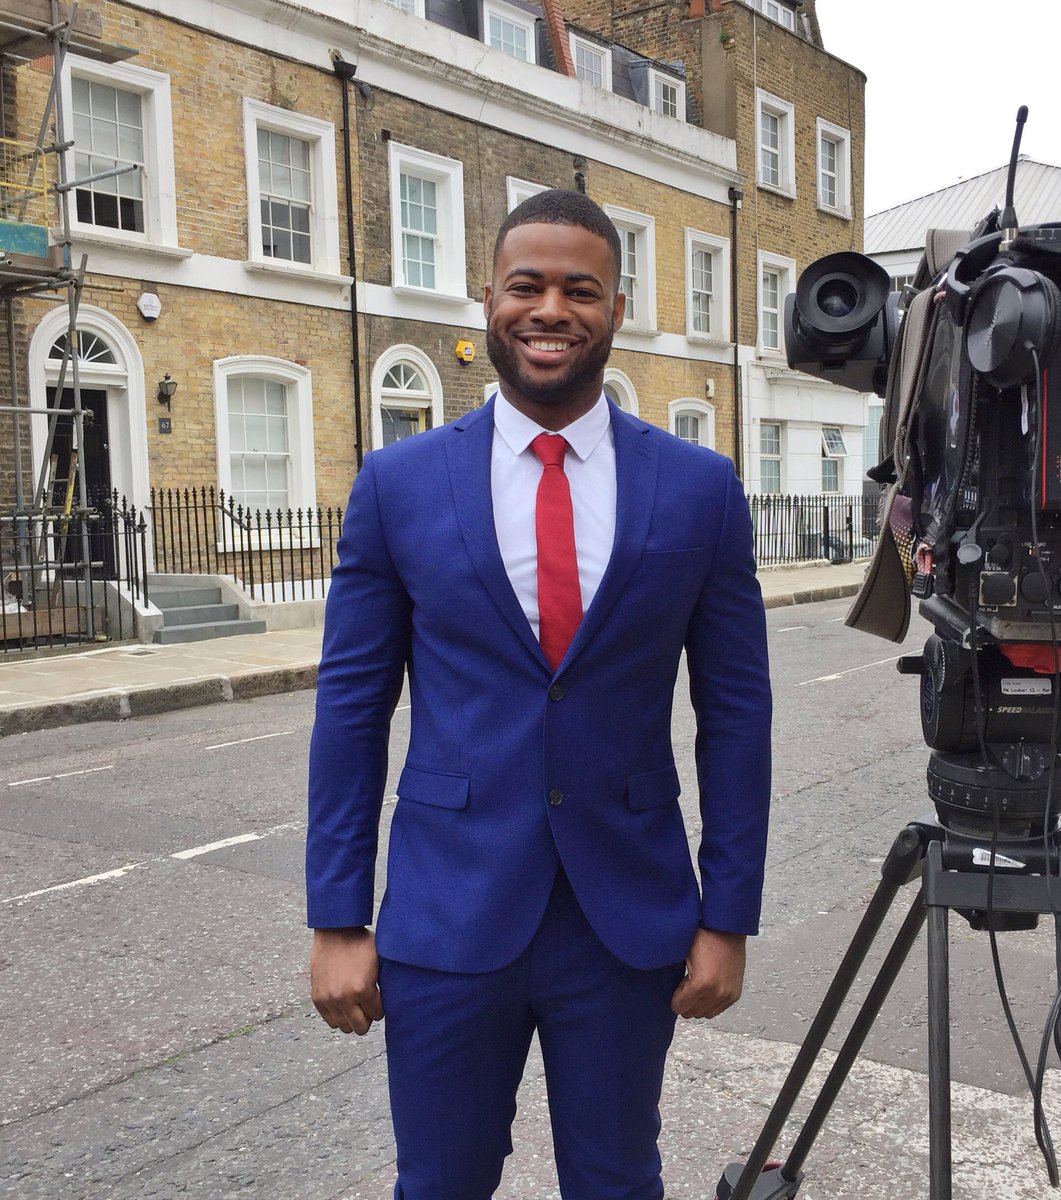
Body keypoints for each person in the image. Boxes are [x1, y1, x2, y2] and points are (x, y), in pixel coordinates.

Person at [307, 188, 771, 1200]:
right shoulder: (399, 485)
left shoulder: (699, 489)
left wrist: (728, 914)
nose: (550, 309)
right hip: (446, 913)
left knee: (615, 1180)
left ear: (616, 306)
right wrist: (338, 919)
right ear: (489, 299)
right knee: (440, 1182)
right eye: (528, 285)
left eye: (580, 289)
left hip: (625, 919)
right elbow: (350, 710)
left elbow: (735, 715)